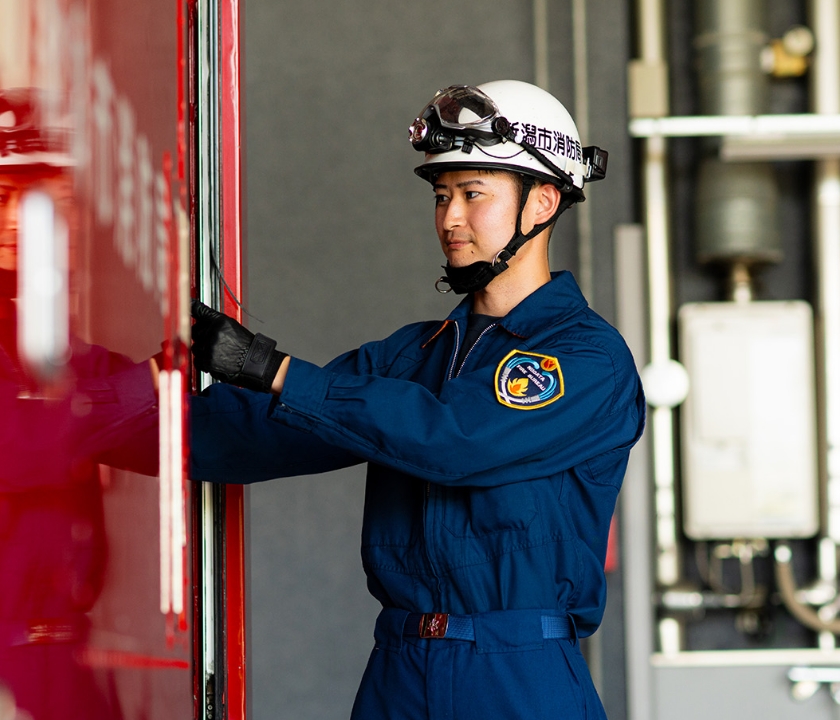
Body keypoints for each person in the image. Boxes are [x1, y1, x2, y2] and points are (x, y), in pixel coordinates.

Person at [189, 80, 645, 720]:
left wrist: (273, 368)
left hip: (517, 671)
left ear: (541, 203)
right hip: (400, 667)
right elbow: (260, 429)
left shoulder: (588, 358)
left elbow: (456, 439)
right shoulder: (414, 354)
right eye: (441, 195)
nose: (450, 218)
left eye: (472, 194)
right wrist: (80, 408)